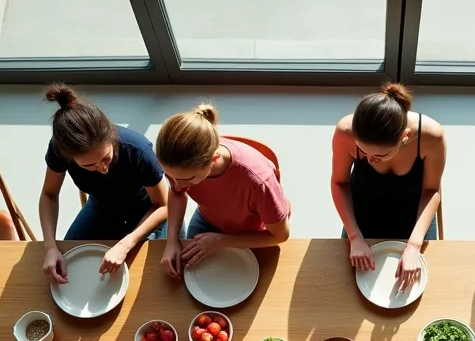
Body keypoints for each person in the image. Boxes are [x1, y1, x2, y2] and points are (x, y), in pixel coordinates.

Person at [38, 84, 170, 283]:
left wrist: (125, 244)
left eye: (106, 158)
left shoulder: (138, 150)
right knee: (68, 259)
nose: (103, 169)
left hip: (146, 209)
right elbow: (49, 195)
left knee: (147, 278)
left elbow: (164, 204)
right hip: (102, 205)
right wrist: (49, 246)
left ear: (112, 138)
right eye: (89, 165)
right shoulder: (59, 149)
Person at [331, 82, 446, 290]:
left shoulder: (431, 136)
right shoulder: (345, 131)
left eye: (380, 155)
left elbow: (431, 190)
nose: (369, 160)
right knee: (344, 286)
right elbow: (339, 182)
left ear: (405, 137)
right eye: (362, 152)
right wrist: (354, 236)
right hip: (361, 216)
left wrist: (414, 245)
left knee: (423, 286)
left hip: (415, 218)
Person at [155, 103, 291, 277]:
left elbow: (280, 236)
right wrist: (171, 240)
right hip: (207, 220)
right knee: (186, 277)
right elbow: (176, 193)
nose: (178, 185)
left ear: (213, 159)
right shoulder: (178, 167)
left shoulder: (258, 182)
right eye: (170, 176)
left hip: (252, 233)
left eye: (189, 180)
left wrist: (223, 241)